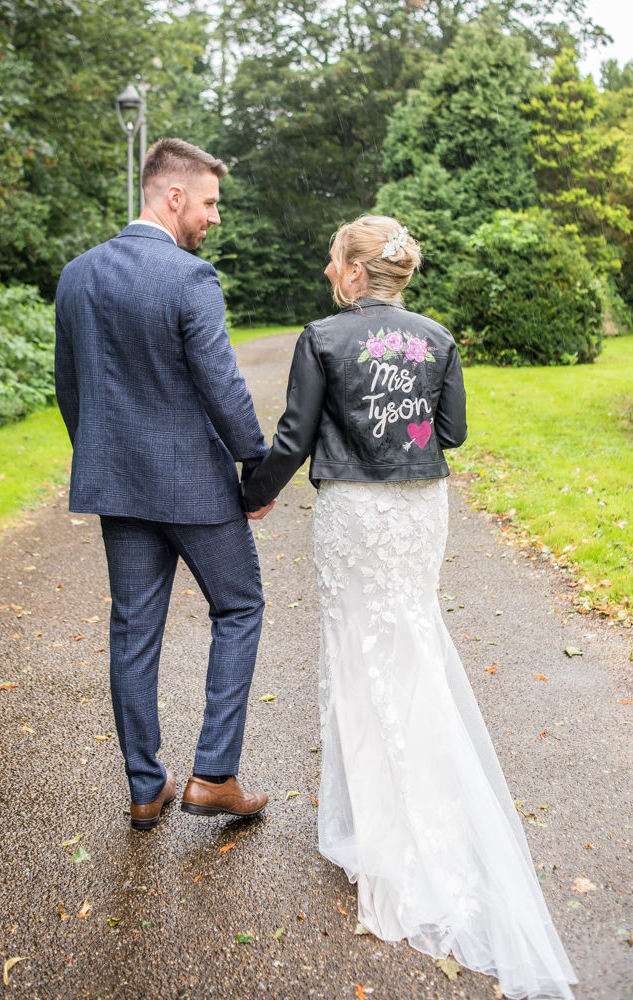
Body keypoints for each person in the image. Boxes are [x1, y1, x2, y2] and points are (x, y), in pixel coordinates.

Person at [241, 215, 577, 999]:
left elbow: (293, 435)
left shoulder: (323, 336)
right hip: (421, 507)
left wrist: (253, 495)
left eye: (334, 259)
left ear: (358, 273)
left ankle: (377, 824)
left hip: (357, 511)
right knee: (409, 640)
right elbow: (451, 431)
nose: (329, 269)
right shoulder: (437, 336)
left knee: (358, 652)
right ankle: (404, 804)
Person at [55, 138, 274, 832]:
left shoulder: (77, 276)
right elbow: (223, 386)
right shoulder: (189, 278)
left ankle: (145, 788)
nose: (214, 217)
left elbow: (69, 388)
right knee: (239, 607)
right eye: (209, 202)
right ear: (172, 195)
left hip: (117, 485)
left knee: (133, 632)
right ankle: (213, 773)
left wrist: (104, 456)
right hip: (196, 489)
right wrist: (257, 469)